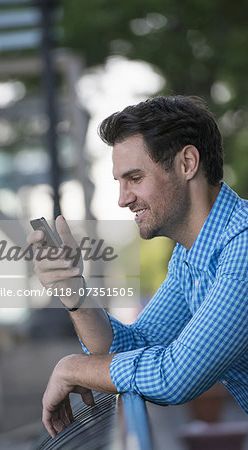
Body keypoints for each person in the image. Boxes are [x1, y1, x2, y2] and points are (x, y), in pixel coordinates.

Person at [27, 95, 248, 437]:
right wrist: (75, 295)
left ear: (187, 163)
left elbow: (175, 376)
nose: (122, 198)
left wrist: (73, 368)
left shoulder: (243, 245)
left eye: (135, 178)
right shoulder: (191, 256)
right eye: (119, 181)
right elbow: (135, 348)